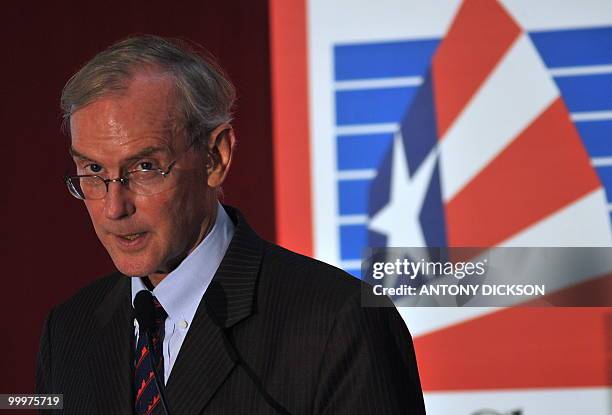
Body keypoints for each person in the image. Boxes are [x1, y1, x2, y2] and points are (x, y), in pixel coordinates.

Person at [36, 35, 426, 415]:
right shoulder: (70, 331)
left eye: (145, 167)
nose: (113, 207)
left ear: (215, 158)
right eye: (93, 169)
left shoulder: (338, 323)